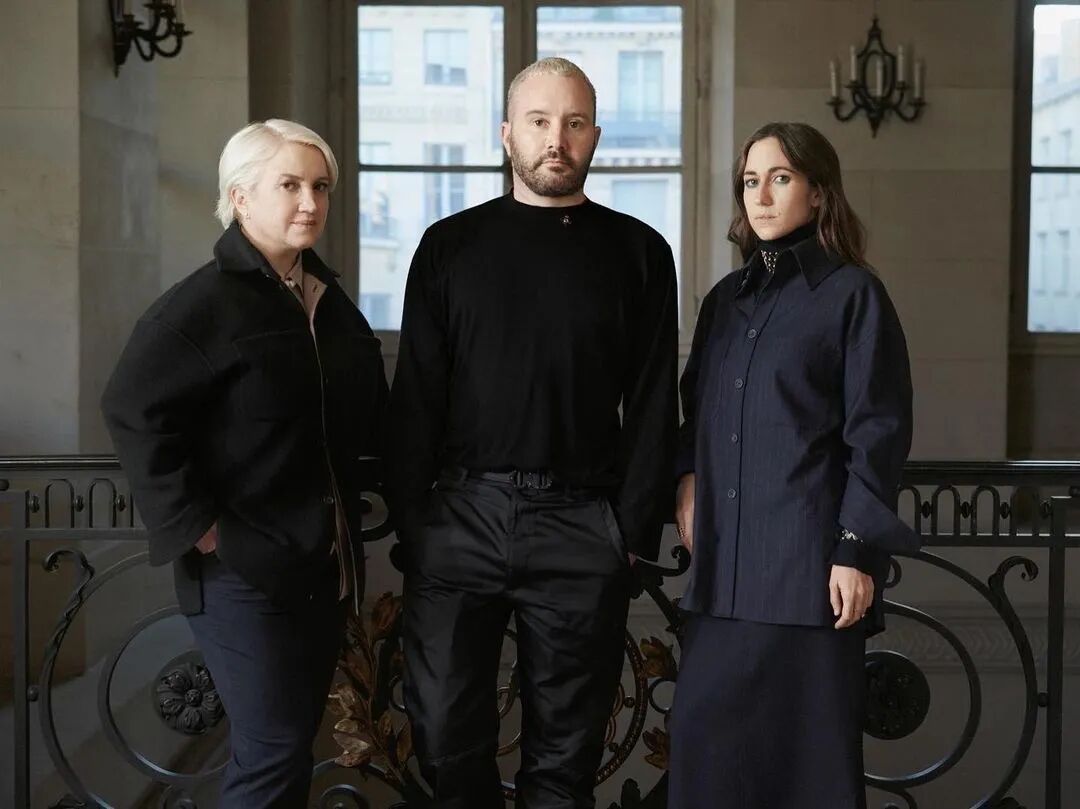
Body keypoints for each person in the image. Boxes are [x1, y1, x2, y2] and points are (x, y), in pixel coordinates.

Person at [385, 57, 678, 809]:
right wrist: (416, 523)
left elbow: (653, 405)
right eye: (540, 121)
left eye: (574, 123)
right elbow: (416, 393)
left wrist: (629, 533)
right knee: (445, 742)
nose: (557, 139)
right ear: (507, 132)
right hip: (461, 517)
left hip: (583, 524)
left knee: (565, 763)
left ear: (595, 137)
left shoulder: (640, 251)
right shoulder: (449, 245)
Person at [101, 119, 388, 808]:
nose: (310, 202)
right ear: (240, 196)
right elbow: (130, 406)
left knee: (287, 749)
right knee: (272, 752)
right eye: (289, 185)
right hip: (240, 574)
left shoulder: (323, 298)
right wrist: (201, 528)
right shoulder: (203, 303)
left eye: (320, 186)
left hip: (320, 567)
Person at [667, 121, 920, 809]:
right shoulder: (724, 301)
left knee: (809, 778)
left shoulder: (854, 295)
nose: (761, 195)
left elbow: (879, 432)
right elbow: (695, 413)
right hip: (721, 579)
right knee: (704, 766)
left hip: (811, 582)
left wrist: (856, 550)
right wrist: (686, 478)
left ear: (817, 191)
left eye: (780, 178)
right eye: (751, 181)